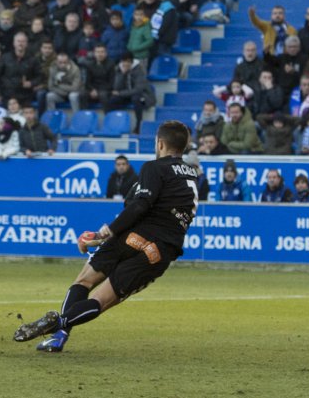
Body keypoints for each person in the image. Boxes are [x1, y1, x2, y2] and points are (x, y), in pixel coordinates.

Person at [13, 121, 198, 352]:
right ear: (185, 145)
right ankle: (59, 324)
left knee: (83, 281)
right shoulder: (192, 174)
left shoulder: (154, 168)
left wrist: (107, 232)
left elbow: (140, 205)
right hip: (159, 251)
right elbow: (151, 208)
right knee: (102, 300)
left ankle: (59, 333)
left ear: (159, 143)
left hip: (132, 236)